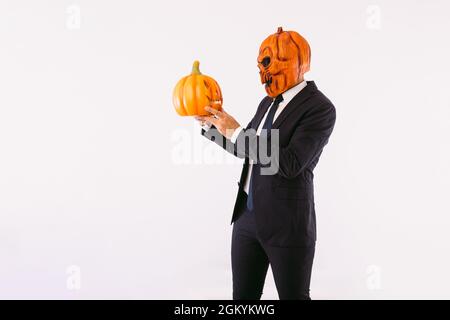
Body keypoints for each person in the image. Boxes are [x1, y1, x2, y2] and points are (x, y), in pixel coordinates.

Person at [195, 27, 336, 300]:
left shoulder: (320, 108)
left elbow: (291, 163)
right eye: (261, 64)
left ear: (299, 61)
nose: (263, 71)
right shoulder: (267, 103)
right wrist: (214, 126)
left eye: (269, 62)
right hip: (246, 219)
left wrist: (236, 131)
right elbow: (246, 149)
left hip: (287, 224)